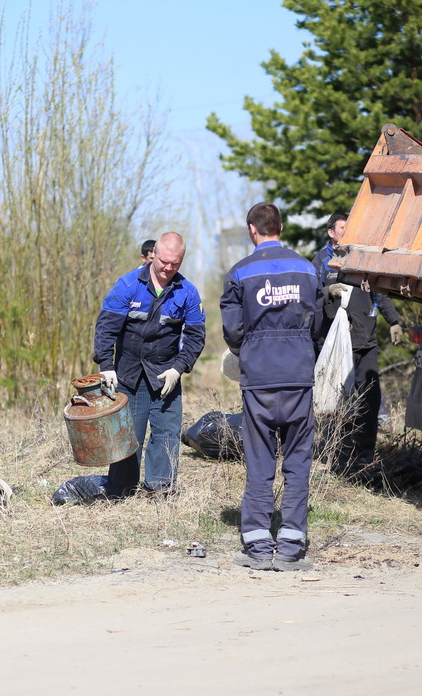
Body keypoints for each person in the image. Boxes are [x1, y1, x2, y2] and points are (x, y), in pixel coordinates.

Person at [221, 203, 322, 571]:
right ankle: (292, 546)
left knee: (260, 461)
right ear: (280, 226)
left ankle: (259, 546)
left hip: (259, 380)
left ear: (253, 229)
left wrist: (247, 351)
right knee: (298, 461)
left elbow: (233, 331)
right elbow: (317, 324)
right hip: (297, 375)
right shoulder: (306, 269)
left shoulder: (240, 273)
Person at [94, 232, 205, 496]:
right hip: (128, 373)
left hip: (165, 373)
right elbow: (106, 329)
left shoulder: (187, 292)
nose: (168, 268)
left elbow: (195, 336)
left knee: (166, 432)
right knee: (128, 434)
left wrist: (179, 368)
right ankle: (121, 489)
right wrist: (106, 366)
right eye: (164, 261)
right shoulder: (128, 285)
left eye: (175, 264)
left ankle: (160, 488)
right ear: (153, 253)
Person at [312, 212, 403, 479]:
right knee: (341, 401)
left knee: (370, 400)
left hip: (366, 341)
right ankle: (338, 455)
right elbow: (310, 295)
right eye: (343, 227)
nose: (347, 231)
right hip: (339, 344)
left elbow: (379, 291)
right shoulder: (322, 262)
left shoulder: (363, 258)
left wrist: (394, 320)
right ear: (331, 232)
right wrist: (327, 292)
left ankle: (365, 456)